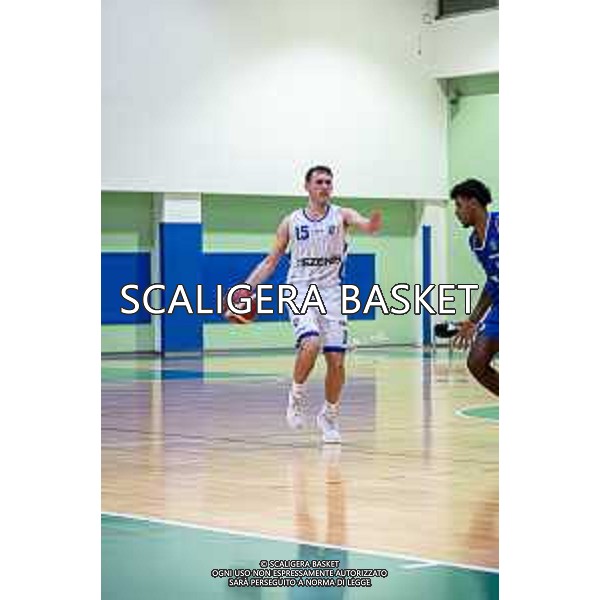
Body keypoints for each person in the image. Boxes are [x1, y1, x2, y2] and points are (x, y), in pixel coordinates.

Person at [243, 165, 382, 443]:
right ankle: (295, 398)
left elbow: (362, 222)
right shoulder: (291, 221)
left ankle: (329, 415)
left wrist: (370, 225)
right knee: (311, 343)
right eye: (319, 182)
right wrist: (246, 289)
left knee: (337, 362)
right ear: (307, 186)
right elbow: (270, 262)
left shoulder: (341, 215)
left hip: (332, 293)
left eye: (328, 182)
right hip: (300, 289)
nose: (324, 186)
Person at [451, 178, 499, 396]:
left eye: (459, 205)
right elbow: (492, 281)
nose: (456, 212)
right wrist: (472, 320)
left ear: (473, 203)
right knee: (477, 362)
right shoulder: (474, 242)